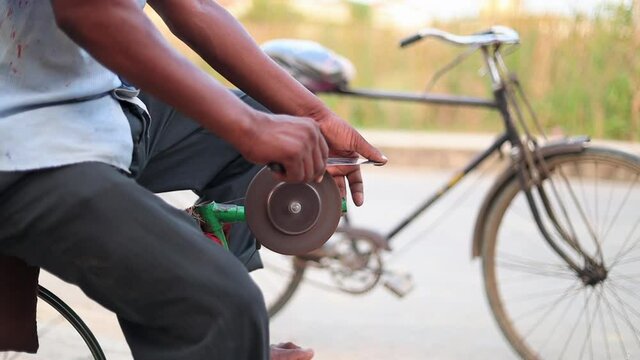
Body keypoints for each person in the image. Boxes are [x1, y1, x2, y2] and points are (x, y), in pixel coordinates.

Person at [0, 0, 386, 359]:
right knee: (220, 311)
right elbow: (93, 11)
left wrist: (314, 117)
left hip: (100, 106)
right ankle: (213, 325)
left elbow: (194, 7)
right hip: (24, 136)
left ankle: (218, 325)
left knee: (265, 124)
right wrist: (249, 129)